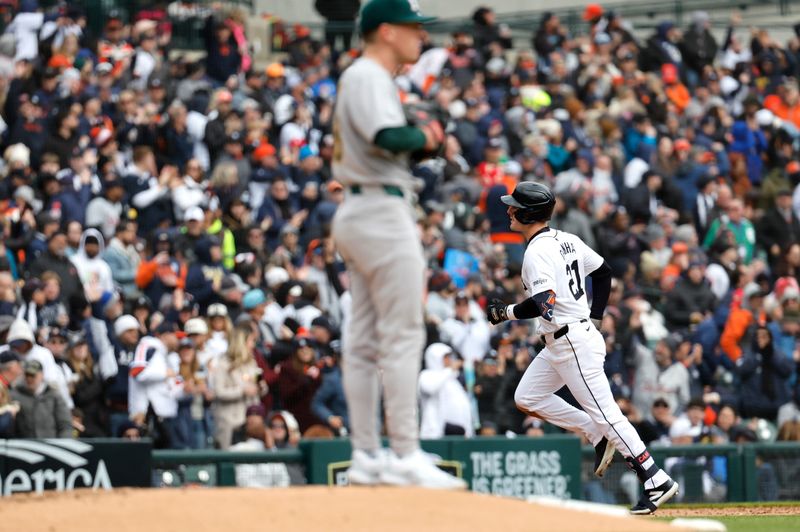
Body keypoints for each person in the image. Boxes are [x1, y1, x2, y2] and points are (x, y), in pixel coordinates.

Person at [330, 0, 463, 490]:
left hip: (363, 206)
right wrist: (426, 134)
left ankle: (367, 454)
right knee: (403, 334)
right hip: (380, 212)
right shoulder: (368, 74)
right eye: (411, 28)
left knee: (363, 341)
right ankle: (404, 451)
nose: (420, 37)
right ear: (386, 31)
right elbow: (389, 136)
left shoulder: (363, 77)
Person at [486, 181, 678, 514]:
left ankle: (655, 479)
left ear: (529, 213)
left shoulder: (536, 251)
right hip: (568, 337)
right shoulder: (567, 239)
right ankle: (593, 431)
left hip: (570, 340)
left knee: (607, 413)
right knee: (527, 397)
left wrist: (507, 312)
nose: (508, 209)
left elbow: (545, 302)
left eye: (514, 205)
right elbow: (604, 273)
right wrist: (597, 317)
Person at [11, 359, 73, 438]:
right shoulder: (15, 395)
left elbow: (65, 424)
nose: (29, 379)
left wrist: (62, 445)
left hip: (50, 446)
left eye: (33, 375)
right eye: (27, 375)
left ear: (42, 375)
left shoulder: (53, 395)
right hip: (25, 446)